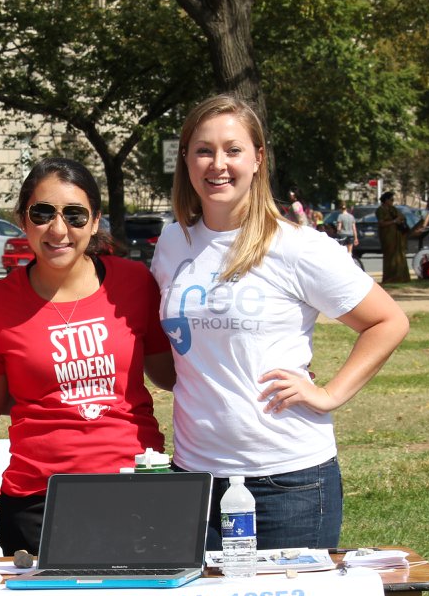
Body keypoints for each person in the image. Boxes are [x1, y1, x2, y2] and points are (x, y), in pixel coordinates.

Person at [150, 94, 409, 550]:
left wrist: (329, 394)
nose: (218, 164)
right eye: (204, 150)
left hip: (288, 481)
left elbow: (387, 321)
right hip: (194, 477)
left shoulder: (296, 246)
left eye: (233, 150)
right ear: (186, 159)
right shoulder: (173, 242)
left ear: (258, 159)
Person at [0, 158, 174, 555]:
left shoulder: (134, 283)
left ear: (95, 220)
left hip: (136, 485)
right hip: (39, 497)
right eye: (42, 213)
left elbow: (171, 373)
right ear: (22, 218)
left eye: (74, 215)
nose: (58, 229)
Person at [375, 191, 412, 283]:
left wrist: (400, 220)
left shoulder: (393, 209)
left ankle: (401, 277)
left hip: (397, 235)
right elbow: (381, 223)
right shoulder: (380, 210)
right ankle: (389, 278)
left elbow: (402, 217)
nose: (392, 202)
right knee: (389, 256)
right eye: (391, 200)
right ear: (386, 200)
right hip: (387, 236)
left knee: (399, 256)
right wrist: (394, 221)